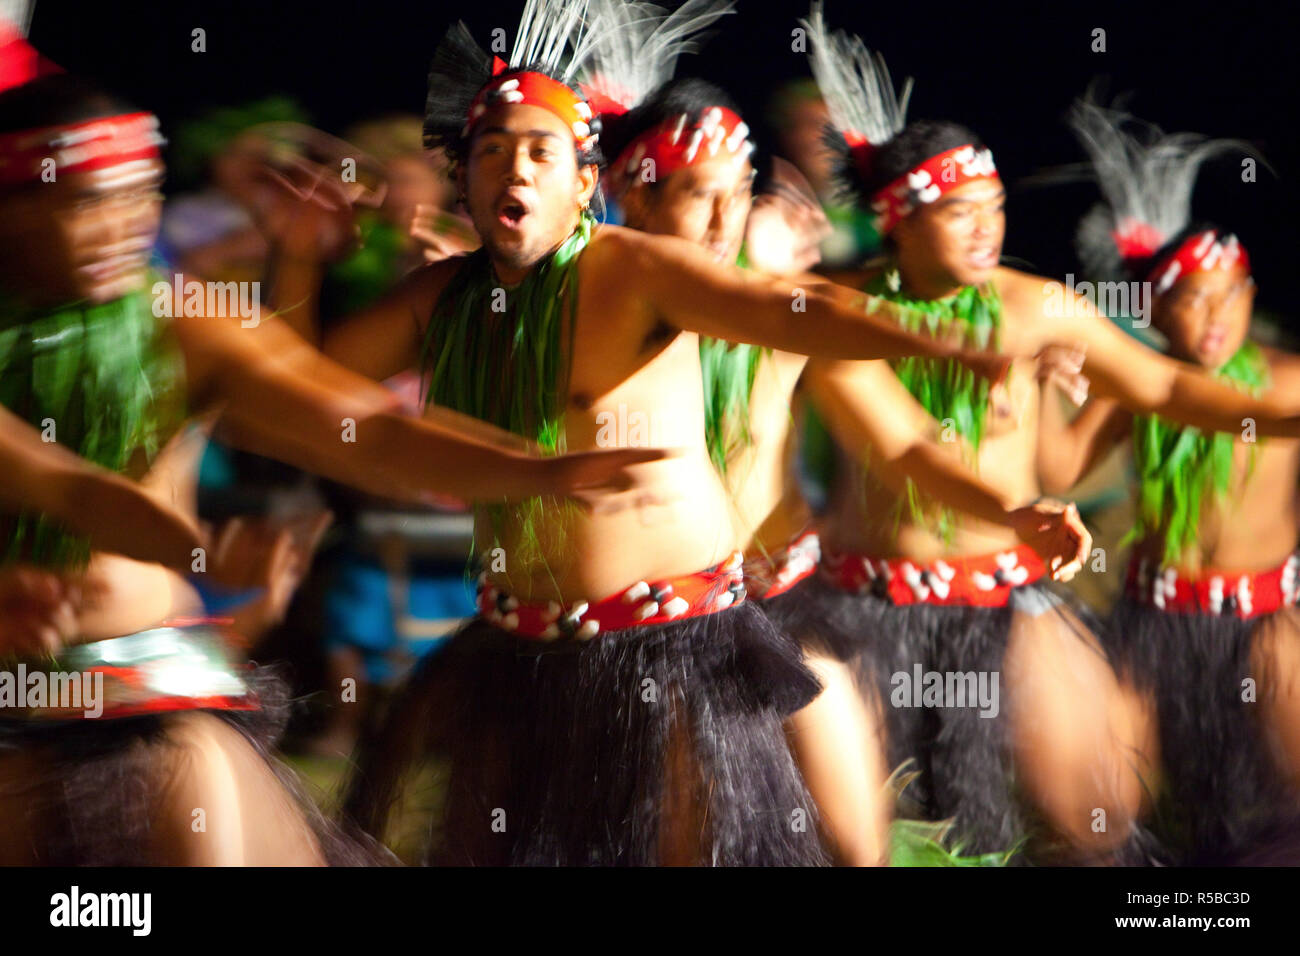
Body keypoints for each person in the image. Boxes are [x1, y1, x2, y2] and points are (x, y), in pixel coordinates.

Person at [270, 0, 1056, 866]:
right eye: (493, 152)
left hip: (684, 650)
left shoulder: (635, 269)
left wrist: (925, 337)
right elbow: (294, 388)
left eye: (542, 152)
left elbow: (788, 308)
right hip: (523, 652)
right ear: (465, 180)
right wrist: (300, 255)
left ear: (584, 183)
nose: (515, 170)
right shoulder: (443, 300)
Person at [0, 32, 658, 865]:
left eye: (137, 198)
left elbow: (365, 429)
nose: (118, 228)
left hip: (144, 706)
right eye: (80, 201)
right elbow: (68, 489)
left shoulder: (183, 324)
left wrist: (534, 470)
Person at [580, 1, 1090, 866]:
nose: (724, 223)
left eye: (739, 197)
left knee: (856, 842)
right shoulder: (584, 305)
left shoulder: (780, 307)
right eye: (703, 197)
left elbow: (905, 446)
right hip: (642, 625)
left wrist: (1014, 509)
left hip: (779, 611)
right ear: (633, 187)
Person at [796, 2, 1300, 861]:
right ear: (898, 219)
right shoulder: (842, 319)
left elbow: (1168, 386)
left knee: (1092, 819)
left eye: (994, 204)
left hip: (1005, 600)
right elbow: (909, 451)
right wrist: (1018, 506)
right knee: (852, 841)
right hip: (861, 610)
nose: (990, 224)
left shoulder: (1040, 310)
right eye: (960, 210)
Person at [1037, 96, 1300, 862]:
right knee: (1108, 806)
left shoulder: (1284, 381)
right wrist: (1039, 379)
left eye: (1230, 294)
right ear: (1153, 306)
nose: (1215, 317)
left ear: (1252, 295)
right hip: (1152, 621)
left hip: (1266, 621)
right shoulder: (1138, 385)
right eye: (1192, 299)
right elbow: (1059, 471)